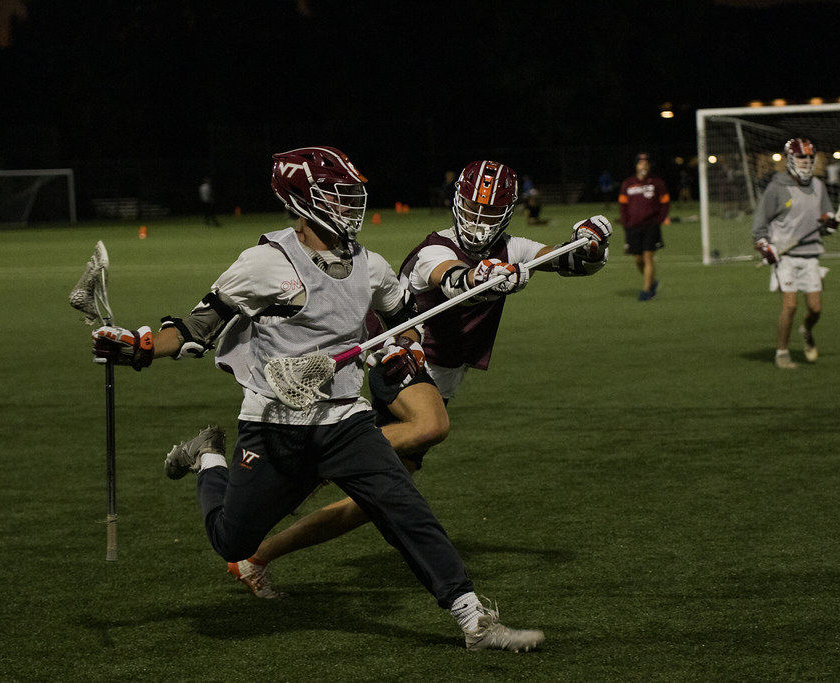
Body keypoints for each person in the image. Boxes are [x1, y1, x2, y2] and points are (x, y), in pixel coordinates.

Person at [91, 146, 544, 652]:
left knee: (403, 506)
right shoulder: (265, 263)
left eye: (352, 196)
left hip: (344, 420)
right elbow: (196, 329)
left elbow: (402, 320)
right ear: (300, 201)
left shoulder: (370, 266)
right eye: (337, 196)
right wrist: (139, 347)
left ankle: (473, 620)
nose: (350, 206)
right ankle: (208, 456)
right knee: (232, 541)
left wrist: (404, 348)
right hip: (274, 422)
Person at [225, 158, 611, 601]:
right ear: (457, 203)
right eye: (473, 209)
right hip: (402, 356)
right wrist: (483, 275)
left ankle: (255, 558)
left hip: (441, 378)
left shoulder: (513, 247)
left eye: (490, 213)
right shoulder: (435, 249)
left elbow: (564, 260)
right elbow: (453, 280)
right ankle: (331, 452)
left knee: (370, 503)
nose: (480, 222)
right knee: (431, 426)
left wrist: (589, 245)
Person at [751, 138, 836, 370]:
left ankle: (806, 330)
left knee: (815, 309)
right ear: (790, 159)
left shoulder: (818, 186)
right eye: (801, 157)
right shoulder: (776, 188)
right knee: (790, 306)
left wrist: (829, 224)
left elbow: (825, 221)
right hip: (785, 256)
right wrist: (765, 247)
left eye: (809, 158)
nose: (806, 162)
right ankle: (782, 353)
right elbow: (759, 226)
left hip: (811, 255)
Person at [618, 153, 669, 301]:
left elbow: (665, 203)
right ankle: (652, 282)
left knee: (648, 257)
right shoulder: (628, 183)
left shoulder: (657, 183)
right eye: (641, 163)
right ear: (636, 166)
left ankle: (647, 291)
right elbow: (623, 206)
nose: (643, 166)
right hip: (632, 227)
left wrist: (659, 220)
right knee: (638, 259)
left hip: (651, 226)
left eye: (646, 163)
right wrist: (625, 223)